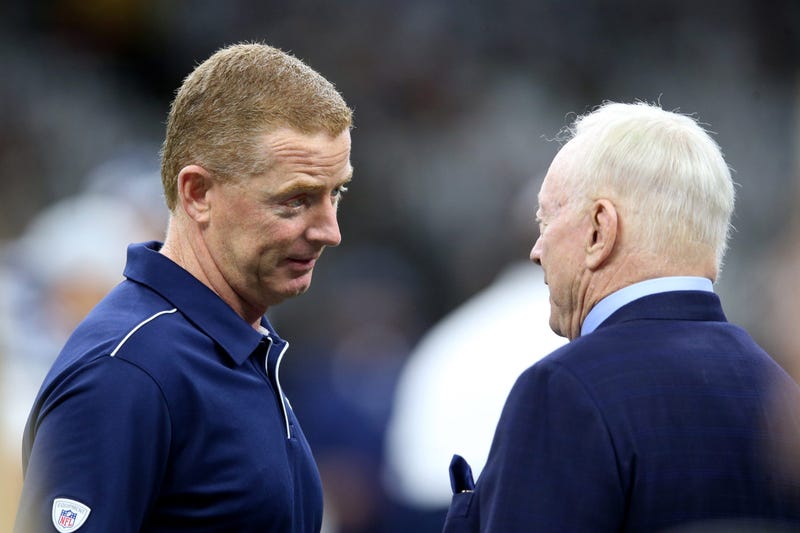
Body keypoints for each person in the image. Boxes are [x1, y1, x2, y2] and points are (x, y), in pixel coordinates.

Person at [14, 42, 353, 533]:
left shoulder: (236, 342)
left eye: (335, 193)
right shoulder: (127, 374)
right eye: (295, 200)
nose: (330, 230)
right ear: (197, 194)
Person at [442, 101, 800, 532]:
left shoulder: (564, 391)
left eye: (545, 221)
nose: (536, 252)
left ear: (599, 229)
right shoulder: (782, 393)